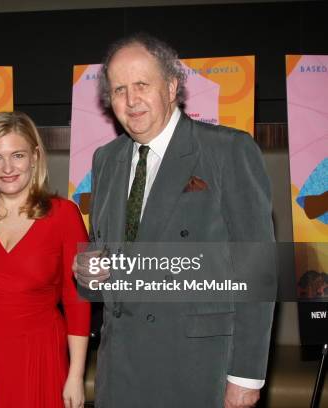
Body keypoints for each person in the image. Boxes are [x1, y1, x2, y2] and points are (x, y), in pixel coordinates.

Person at [73, 33, 275, 408]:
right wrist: (87, 270)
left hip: (198, 368)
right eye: (119, 90)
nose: (130, 101)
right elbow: (105, 261)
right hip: (120, 369)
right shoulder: (105, 159)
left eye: (141, 85)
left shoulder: (227, 151)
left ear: (171, 86)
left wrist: (245, 376)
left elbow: (257, 270)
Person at [0, 111, 91, 408]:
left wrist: (76, 374)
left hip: (38, 355)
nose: (7, 168)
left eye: (18, 155)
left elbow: (78, 298)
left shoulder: (65, 214)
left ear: (35, 157)